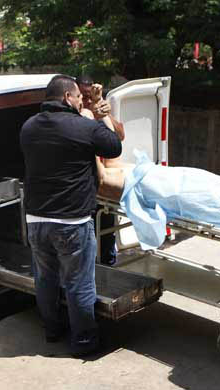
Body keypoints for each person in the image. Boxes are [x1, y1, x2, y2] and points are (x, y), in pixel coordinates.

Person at [20, 75, 122, 357]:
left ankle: (52, 330)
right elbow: (114, 146)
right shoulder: (83, 127)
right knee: (78, 282)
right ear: (67, 98)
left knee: (46, 279)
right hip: (72, 223)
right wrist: (100, 117)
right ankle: (85, 342)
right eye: (78, 97)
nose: (80, 101)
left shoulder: (28, 127)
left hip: (36, 220)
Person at [76, 75, 125, 266]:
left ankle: (108, 265)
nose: (87, 102)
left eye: (91, 97)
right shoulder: (75, 118)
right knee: (87, 241)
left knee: (106, 232)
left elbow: (119, 135)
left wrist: (104, 113)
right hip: (85, 189)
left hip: (103, 190)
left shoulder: (98, 112)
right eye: (84, 97)